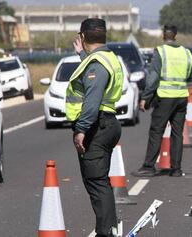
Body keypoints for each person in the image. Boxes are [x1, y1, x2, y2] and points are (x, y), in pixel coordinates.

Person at [66, 18, 123, 237]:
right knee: (100, 182)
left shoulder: (97, 63)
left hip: (97, 126)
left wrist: (81, 129)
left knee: (97, 184)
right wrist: (82, 54)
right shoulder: (106, 57)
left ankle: (106, 232)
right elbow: (95, 76)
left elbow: (92, 99)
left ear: (82, 36)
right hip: (106, 123)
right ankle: (108, 229)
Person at [131, 25, 192, 177]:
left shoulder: (161, 51)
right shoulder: (186, 52)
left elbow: (153, 78)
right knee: (177, 133)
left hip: (165, 97)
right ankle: (176, 169)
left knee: (156, 131)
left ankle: (148, 167)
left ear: (163, 36)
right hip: (181, 97)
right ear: (175, 35)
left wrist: (146, 97)